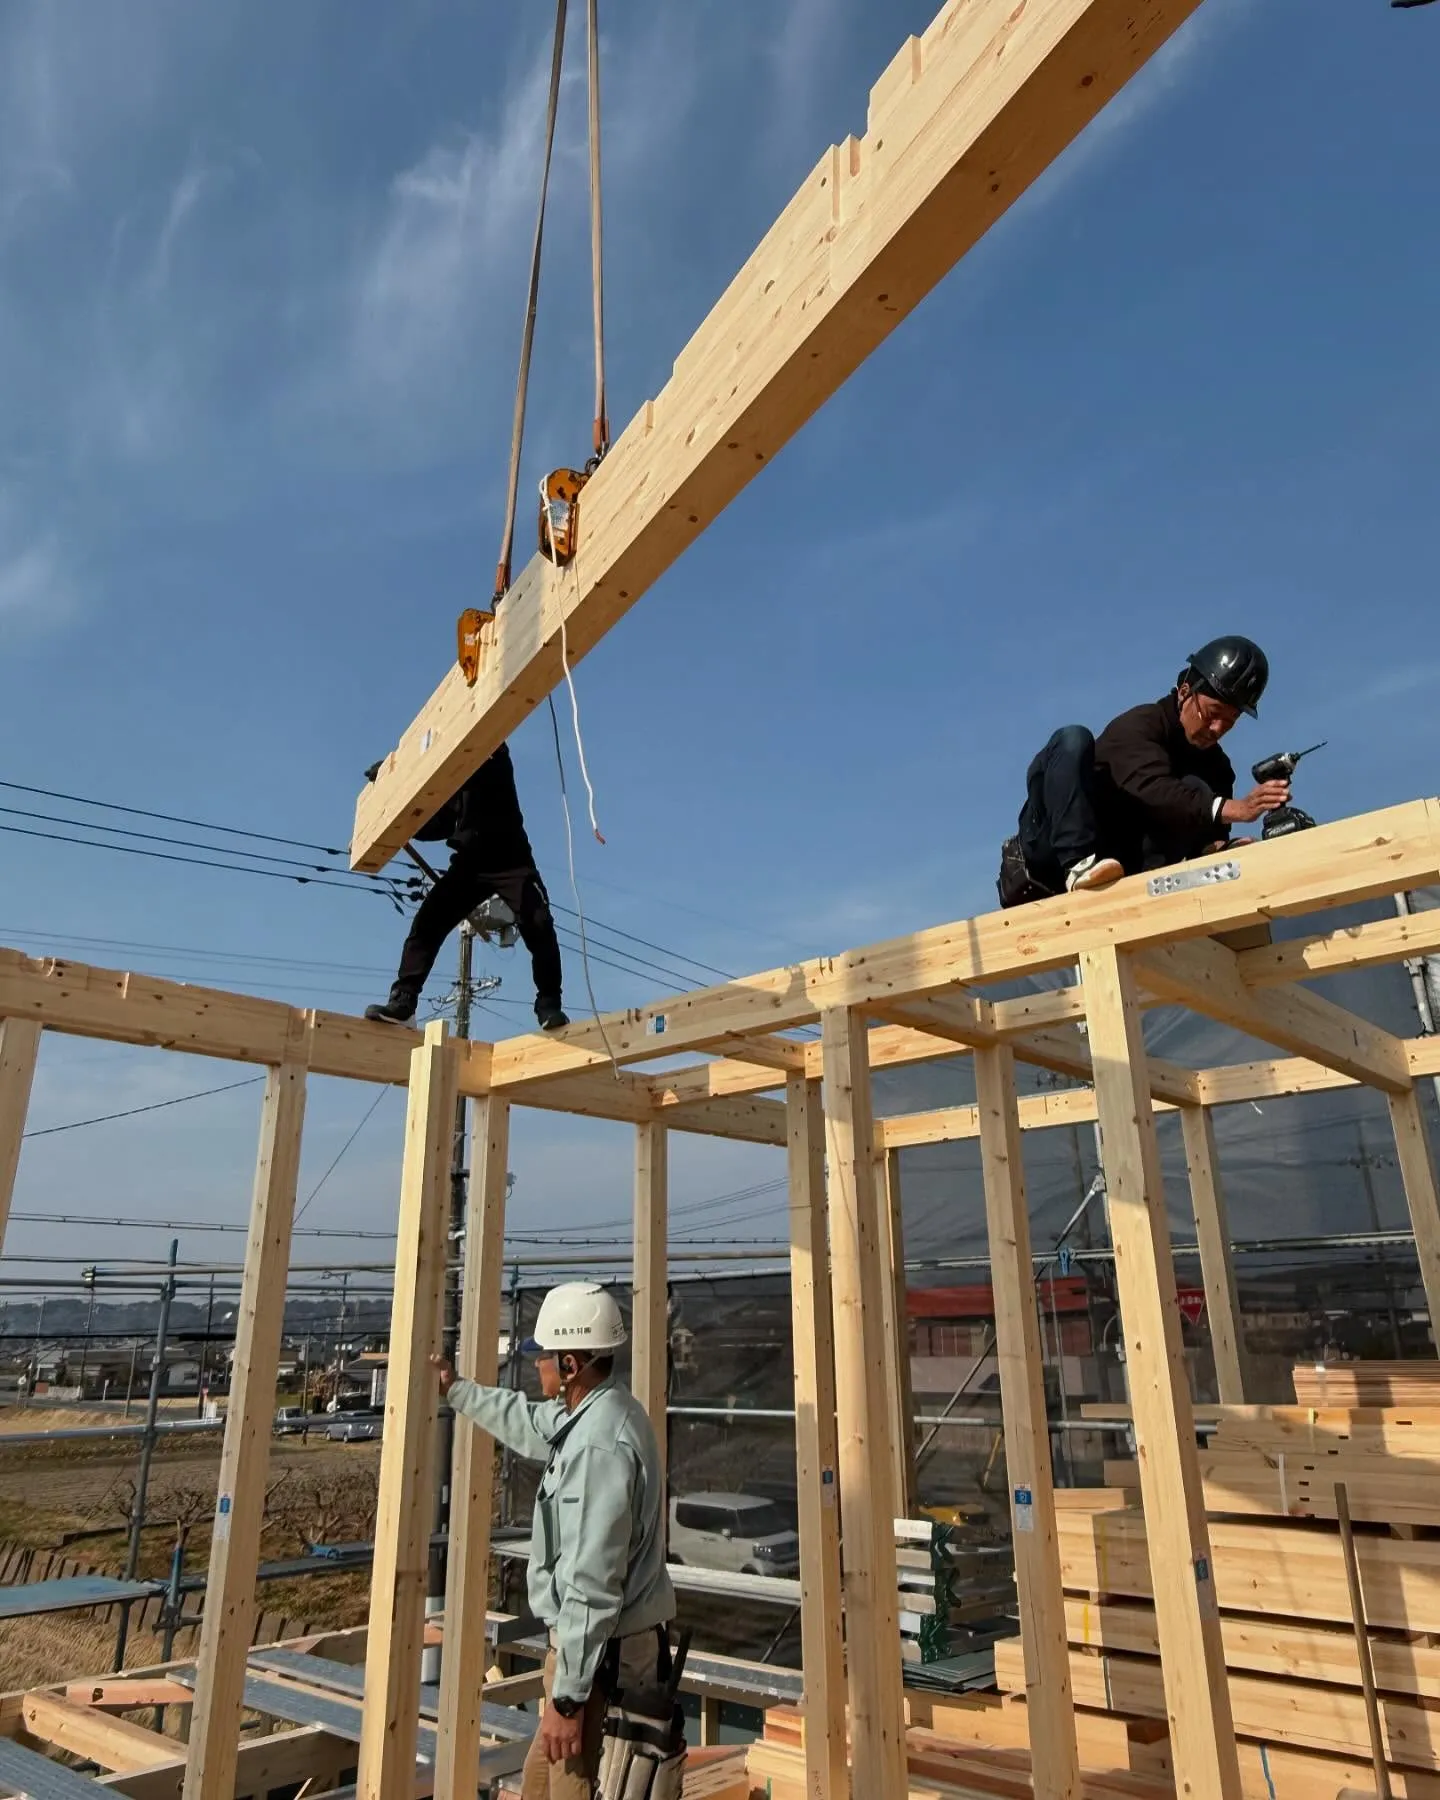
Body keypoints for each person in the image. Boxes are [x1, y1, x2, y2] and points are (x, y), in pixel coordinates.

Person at [431, 1281, 676, 1800]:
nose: (535, 1365)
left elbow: (592, 1580)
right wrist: (457, 1390)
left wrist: (568, 1701)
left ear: (571, 1365)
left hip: (597, 1664)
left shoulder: (597, 1448)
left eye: (543, 1356)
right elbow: (526, 1421)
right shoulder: (590, 1414)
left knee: (573, 1787)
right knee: (540, 1787)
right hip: (587, 1659)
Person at [998, 636, 1291, 905]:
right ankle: (1078, 866)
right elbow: (1153, 788)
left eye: (1229, 722)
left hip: (1120, 866)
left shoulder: (1217, 769)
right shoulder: (1140, 726)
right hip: (1047, 856)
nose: (1217, 729)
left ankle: (1133, 888)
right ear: (1185, 692)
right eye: (1213, 714)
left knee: (1196, 788)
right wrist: (1236, 809)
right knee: (1072, 739)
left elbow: (1207, 833)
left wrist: (1225, 850)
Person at [364, 743, 568, 1030]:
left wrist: (405, 771)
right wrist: (392, 792)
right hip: (470, 863)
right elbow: (440, 825)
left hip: (511, 858)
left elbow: (485, 730)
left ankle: (548, 1004)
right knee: (428, 924)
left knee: (538, 922)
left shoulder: (491, 751)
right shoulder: (452, 781)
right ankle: (404, 1002)